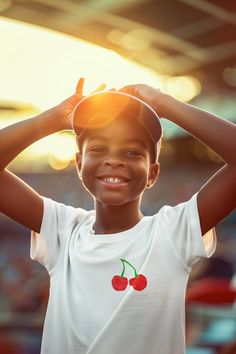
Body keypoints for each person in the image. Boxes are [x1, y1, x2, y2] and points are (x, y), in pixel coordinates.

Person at [0, 78, 235, 354]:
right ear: (78, 163)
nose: (114, 160)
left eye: (132, 152)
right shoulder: (63, 229)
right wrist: (50, 120)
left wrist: (164, 103)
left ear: (153, 173)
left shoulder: (172, 232)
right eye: (98, 149)